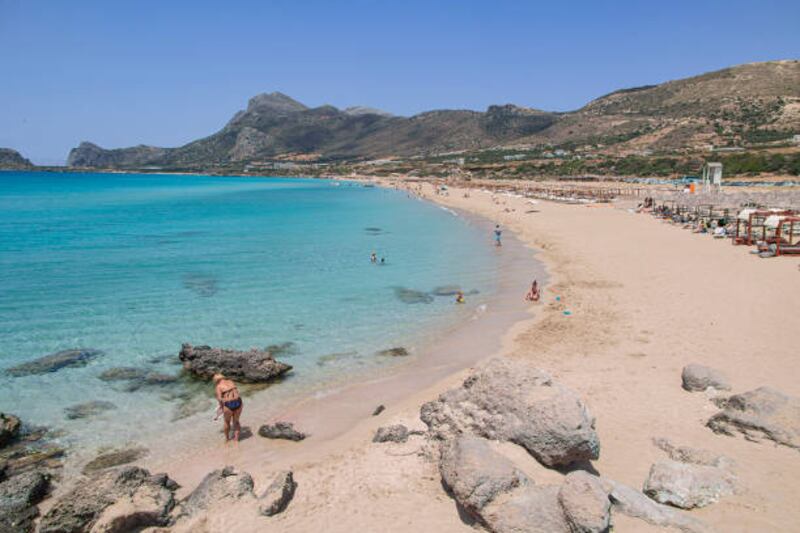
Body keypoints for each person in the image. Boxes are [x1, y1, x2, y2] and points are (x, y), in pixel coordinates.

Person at [213, 374, 243, 443]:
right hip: (238, 402)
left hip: (228, 403)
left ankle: (227, 439)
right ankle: (236, 440)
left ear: (216, 380)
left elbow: (220, 399)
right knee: (236, 421)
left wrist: (220, 408)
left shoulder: (218, 386)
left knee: (227, 422)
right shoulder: (230, 381)